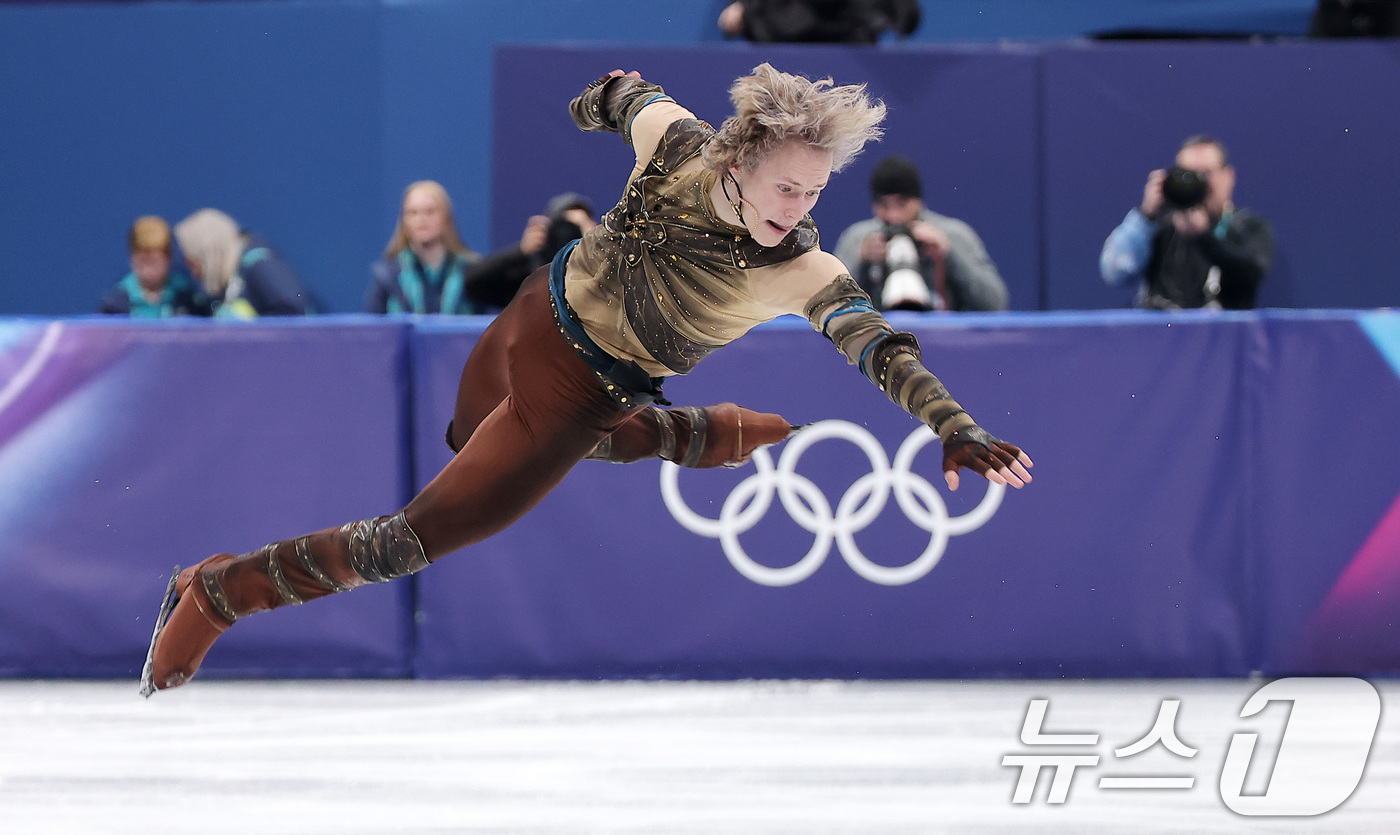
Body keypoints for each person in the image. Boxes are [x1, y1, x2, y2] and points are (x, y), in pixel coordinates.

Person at [142, 64, 1032, 696]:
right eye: (786, 189)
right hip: (532, 315)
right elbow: (625, 93)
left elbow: (885, 350)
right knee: (464, 441)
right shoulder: (681, 144)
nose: (798, 211)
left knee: (414, 538)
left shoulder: (802, 272)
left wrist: (949, 425)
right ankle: (695, 434)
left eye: (813, 193)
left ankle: (222, 590)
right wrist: (594, 103)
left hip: (580, 395)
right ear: (737, 163)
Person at [1100, 136, 1275, 310]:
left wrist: (1203, 238)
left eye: (1206, 174)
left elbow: (1252, 274)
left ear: (1228, 176)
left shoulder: (1248, 226)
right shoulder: (1160, 226)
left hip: (1222, 335)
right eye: (1188, 174)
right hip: (1161, 335)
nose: (1199, 184)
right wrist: (1145, 217)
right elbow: (1115, 273)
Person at [833, 155, 1008, 312]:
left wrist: (950, 256)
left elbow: (995, 304)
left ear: (918, 201)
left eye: (902, 204)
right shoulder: (857, 239)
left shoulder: (953, 235)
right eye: (884, 205)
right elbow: (830, 307)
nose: (894, 216)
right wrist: (861, 263)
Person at [463, 192, 599, 311]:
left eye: (577, 227)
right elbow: (472, 282)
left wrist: (592, 245)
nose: (568, 233)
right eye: (563, 225)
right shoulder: (530, 274)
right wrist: (520, 251)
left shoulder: (600, 274)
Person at [173, 209, 317, 318]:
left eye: (194, 263)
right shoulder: (229, 276)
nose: (194, 273)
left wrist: (252, 328)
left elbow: (295, 309)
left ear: (209, 254)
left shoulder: (260, 264)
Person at [366, 181, 482, 315]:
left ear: (445, 217)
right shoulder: (387, 276)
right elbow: (374, 330)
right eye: (413, 212)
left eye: (430, 211)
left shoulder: (473, 272)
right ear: (404, 220)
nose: (421, 219)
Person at [99, 216, 210, 317]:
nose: (149, 270)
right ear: (132, 259)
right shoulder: (116, 303)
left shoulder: (187, 298)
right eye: (143, 261)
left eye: (155, 261)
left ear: (169, 259)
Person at [718, 0, 921, 44]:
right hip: (785, 53)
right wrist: (745, 9)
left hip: (851, 49)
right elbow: (731, 21)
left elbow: (907, 17)